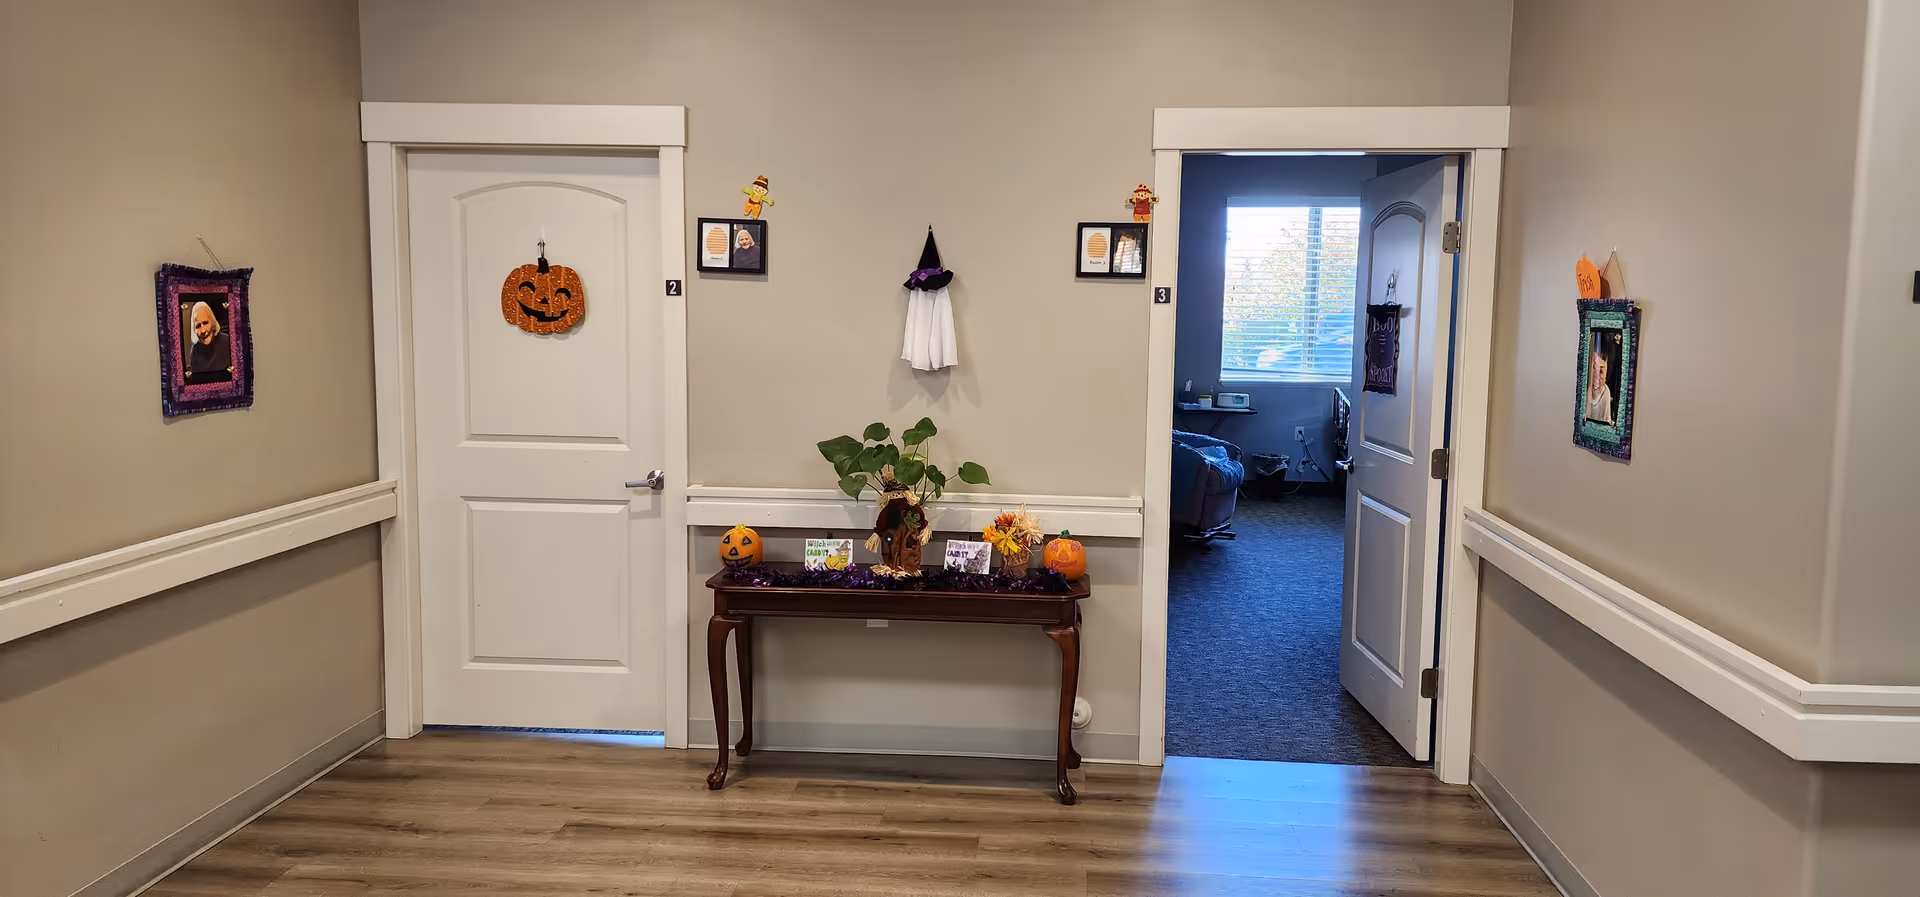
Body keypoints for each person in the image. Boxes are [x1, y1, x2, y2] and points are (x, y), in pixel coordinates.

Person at [186, 301, 231, 377]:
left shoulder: (228, 342)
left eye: (205, 323)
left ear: (213, 322)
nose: (203, 330)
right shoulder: (195, 351)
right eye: (198, 326)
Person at [1585, 334, 1615, 424]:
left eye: (1601, 372)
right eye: (1593, 369)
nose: (1596, 377)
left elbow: (1605, 422)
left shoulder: (1605, 392)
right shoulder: (1585, 388)